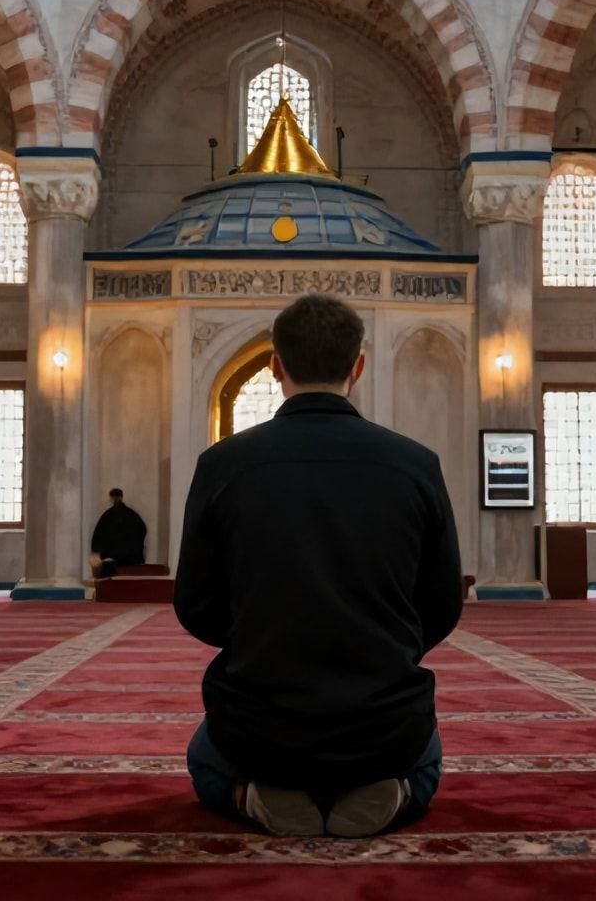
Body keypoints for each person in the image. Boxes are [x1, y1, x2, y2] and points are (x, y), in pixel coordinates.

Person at [175, 293, 462, 838]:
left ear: (275, 364)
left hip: (260, 718)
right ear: (358, 366)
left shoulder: (223, 465)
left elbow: (195, 604)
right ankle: (396, 789)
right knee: (427, 759)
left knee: (202, 758)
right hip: (384, 720)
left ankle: (254, 792)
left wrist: (255, 642)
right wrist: (385, 649)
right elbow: (443, 603)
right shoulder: (415, 464)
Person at [89, 488, 149, 579]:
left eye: (117, 497)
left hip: (128, 560)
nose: (116, 499)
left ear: (121, 497)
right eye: (114, 497)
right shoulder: (108, 516)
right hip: (112, 561)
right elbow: (99, 535)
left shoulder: (130, 515)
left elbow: (141, 530)